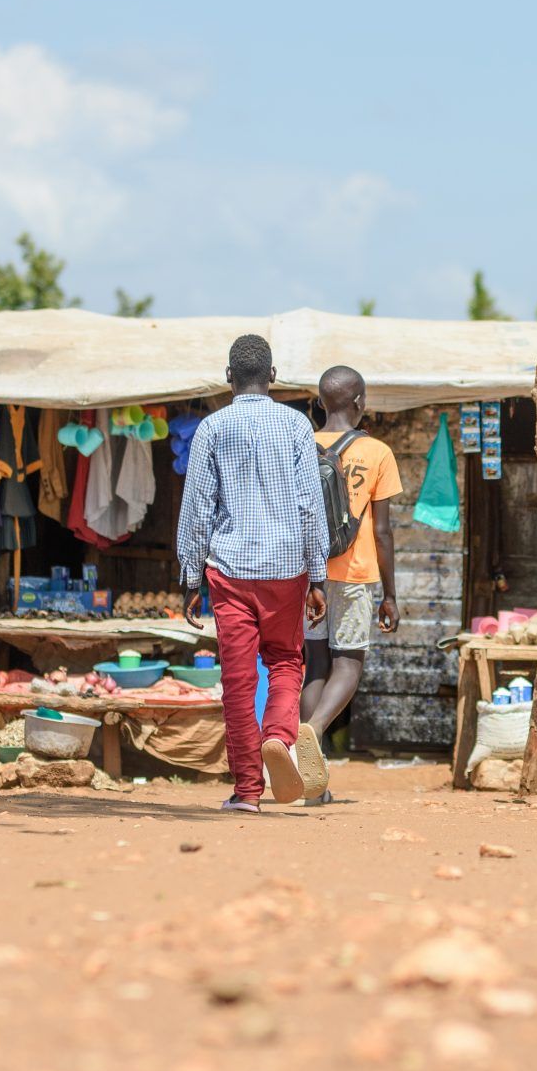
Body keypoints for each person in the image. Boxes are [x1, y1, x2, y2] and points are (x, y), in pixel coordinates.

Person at [175, 335, 328, 812]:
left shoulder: (212, 428)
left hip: (230, 573)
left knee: (238, 681)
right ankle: (279, 737)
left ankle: (246, 791)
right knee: (285, 662)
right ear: (273, 376)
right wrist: (318, 576)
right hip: (286, 571)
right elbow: (311, 506)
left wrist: (189, 577)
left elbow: (197, 510)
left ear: (229, 377)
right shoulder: (297, 425)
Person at [299, 366, 401, 789]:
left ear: (320, 403)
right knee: (348, 663)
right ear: (359, 402)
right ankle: (313, 730)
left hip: (307, 575)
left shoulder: (300, 445)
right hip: (355, 573)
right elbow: (382, 531)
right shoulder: (377, 452)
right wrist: (390, 595)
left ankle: (310, 776)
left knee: (315, 664)